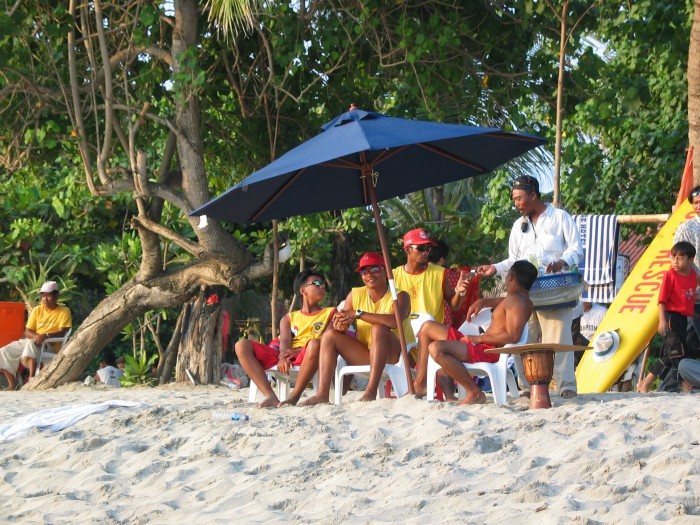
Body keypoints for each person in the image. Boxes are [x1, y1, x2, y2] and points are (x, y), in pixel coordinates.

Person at [476, 175, 582, 399]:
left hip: (555, 290)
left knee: (559, 338)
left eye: (519, 198)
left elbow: (576, 249)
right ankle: (527, 387)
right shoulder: (518, 226)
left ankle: (565, 387)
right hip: (526, 293)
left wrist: (563, 261)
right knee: (526, 339)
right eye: (514, 199)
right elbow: (513, 260)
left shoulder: (560, 217)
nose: (516, 204)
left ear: (533, 195)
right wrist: (494, 268)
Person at [300, 252, 415, 405]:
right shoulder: (355, 294)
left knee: (378, 329)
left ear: (385, 272)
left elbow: (394, 321)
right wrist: (341, 324)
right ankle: (322, 394)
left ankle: (371, 390)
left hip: (398, 355)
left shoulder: (400, 295)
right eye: (364, 271)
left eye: (374, 269)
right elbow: (342, 324)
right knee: (330, 335)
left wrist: (358, 314)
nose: (369, 275)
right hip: (368, 354)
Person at [428, 260, 537, 404]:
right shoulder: (518, 299)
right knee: (431, 336)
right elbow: (506, 303)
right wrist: (483, 302)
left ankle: (474, 392)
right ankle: (439, 390)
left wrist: (479, 339)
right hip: (482, 346)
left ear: (510, 277)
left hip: (488, 351)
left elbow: (513, 336)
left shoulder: (518, 301)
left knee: (436, 348)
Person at [235, 270, 335, 408]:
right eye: (317, 283)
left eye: (323, 284)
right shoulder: (288, 318)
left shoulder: (330, 313)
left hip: (312, 354)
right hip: (289, 355)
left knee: (314, 344)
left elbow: (328, 342)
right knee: (241, 345)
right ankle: (270, 395)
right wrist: (283, 357)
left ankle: (294, 397)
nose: (322, 286)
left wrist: (298, 351)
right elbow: (284, 346)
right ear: (303, 290)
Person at [392, 229, 473, 396]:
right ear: (407, 250)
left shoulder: (439, 272)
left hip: (432, 334)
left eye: (428, 248)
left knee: (438, 351)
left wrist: (459, 292)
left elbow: (454, 305)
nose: (426, 252)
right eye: (420, 248)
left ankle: (448, 397)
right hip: (404, 335)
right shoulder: (393, 276)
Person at [638, 241, 698, 393]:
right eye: (673, 258)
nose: (675, 261)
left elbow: (691, 294)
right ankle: (686, 384)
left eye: (680, 258)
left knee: (670, 354)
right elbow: (661, 300)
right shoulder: (670, 275)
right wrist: (662, 320)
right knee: (677, 352)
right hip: (671, 317)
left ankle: (645, 383)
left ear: (690, 260)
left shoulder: (693, 276)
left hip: (684, 319)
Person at [0, 281, 72, 390]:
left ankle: (31, 378)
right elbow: (27, 331)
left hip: (50, 344)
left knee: (31, 342)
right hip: (34, 340)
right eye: (43, 296)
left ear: (56, 296)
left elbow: (63, 332)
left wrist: (45, 336)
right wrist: (38, 336)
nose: (44, 299)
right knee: (4, 351)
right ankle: (12, 384)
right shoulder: (37, 310)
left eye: (48, 296)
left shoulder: (64, 311)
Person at [673, 185, 700, 341]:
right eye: (695, 203)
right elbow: (678, 261)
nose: (698, 206)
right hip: (694, 293)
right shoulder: (686, 228)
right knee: (687, 343)